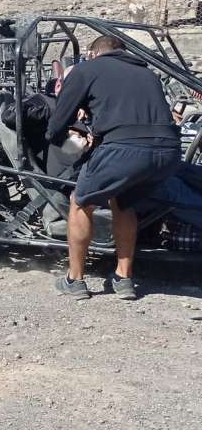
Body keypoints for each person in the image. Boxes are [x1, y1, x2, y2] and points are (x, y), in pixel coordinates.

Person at [46, 36, 181, 301]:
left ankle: (74, 280)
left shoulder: (87, 69)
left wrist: (57, 138)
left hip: (124, 149)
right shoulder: (147, 73)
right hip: (168, 153)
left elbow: (58, 121)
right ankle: (124, 278)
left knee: (80, 201)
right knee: (123, 201)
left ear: (93, 53)